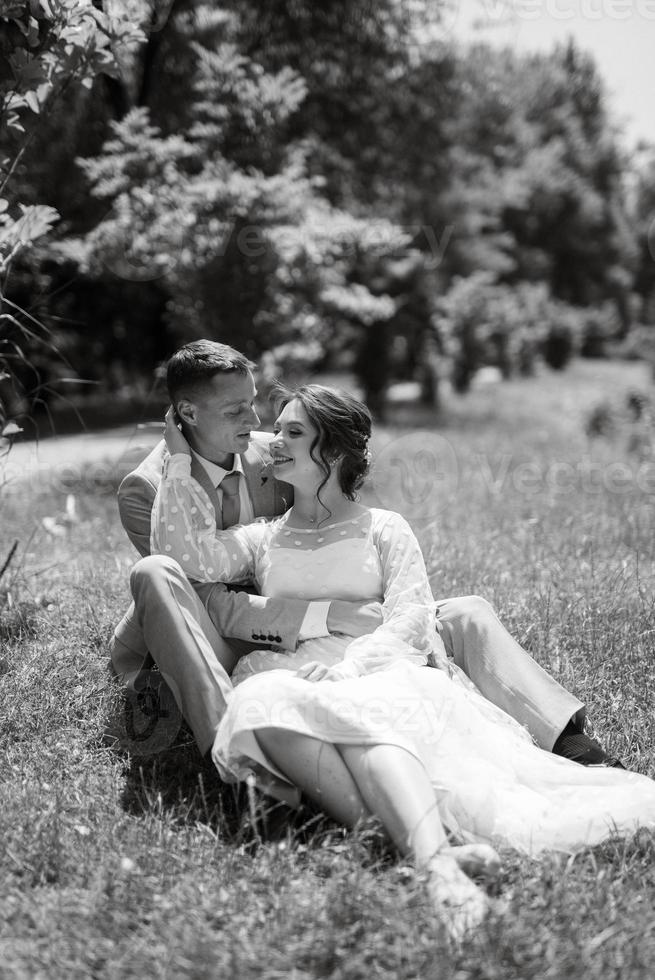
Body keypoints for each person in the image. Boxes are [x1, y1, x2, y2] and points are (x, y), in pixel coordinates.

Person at [151, 383, 655, 941]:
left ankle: (436, 862)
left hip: (376, 669)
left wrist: (348, 670)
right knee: (258, 706)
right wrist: (177, 462)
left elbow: (412, 616)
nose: (274, 441)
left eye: (293, 432)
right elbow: (185, 555)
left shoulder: (386, 527)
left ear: (334, 453)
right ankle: (434, 843)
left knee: (361, 718)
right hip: (290, 671)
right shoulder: (263, 538)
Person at [110, 340, 620, 767]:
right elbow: (207, 594)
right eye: (236, 410)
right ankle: (229, 748)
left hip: (326, 614)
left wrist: (362, 620)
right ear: (187, 414)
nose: (259, 422)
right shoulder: (149, 488)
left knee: (466, 613)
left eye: (256, 404)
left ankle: (568, 737)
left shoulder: (273, 449)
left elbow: (332, 524)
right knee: (158, 569)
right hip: (226, 635)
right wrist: (327, 618)